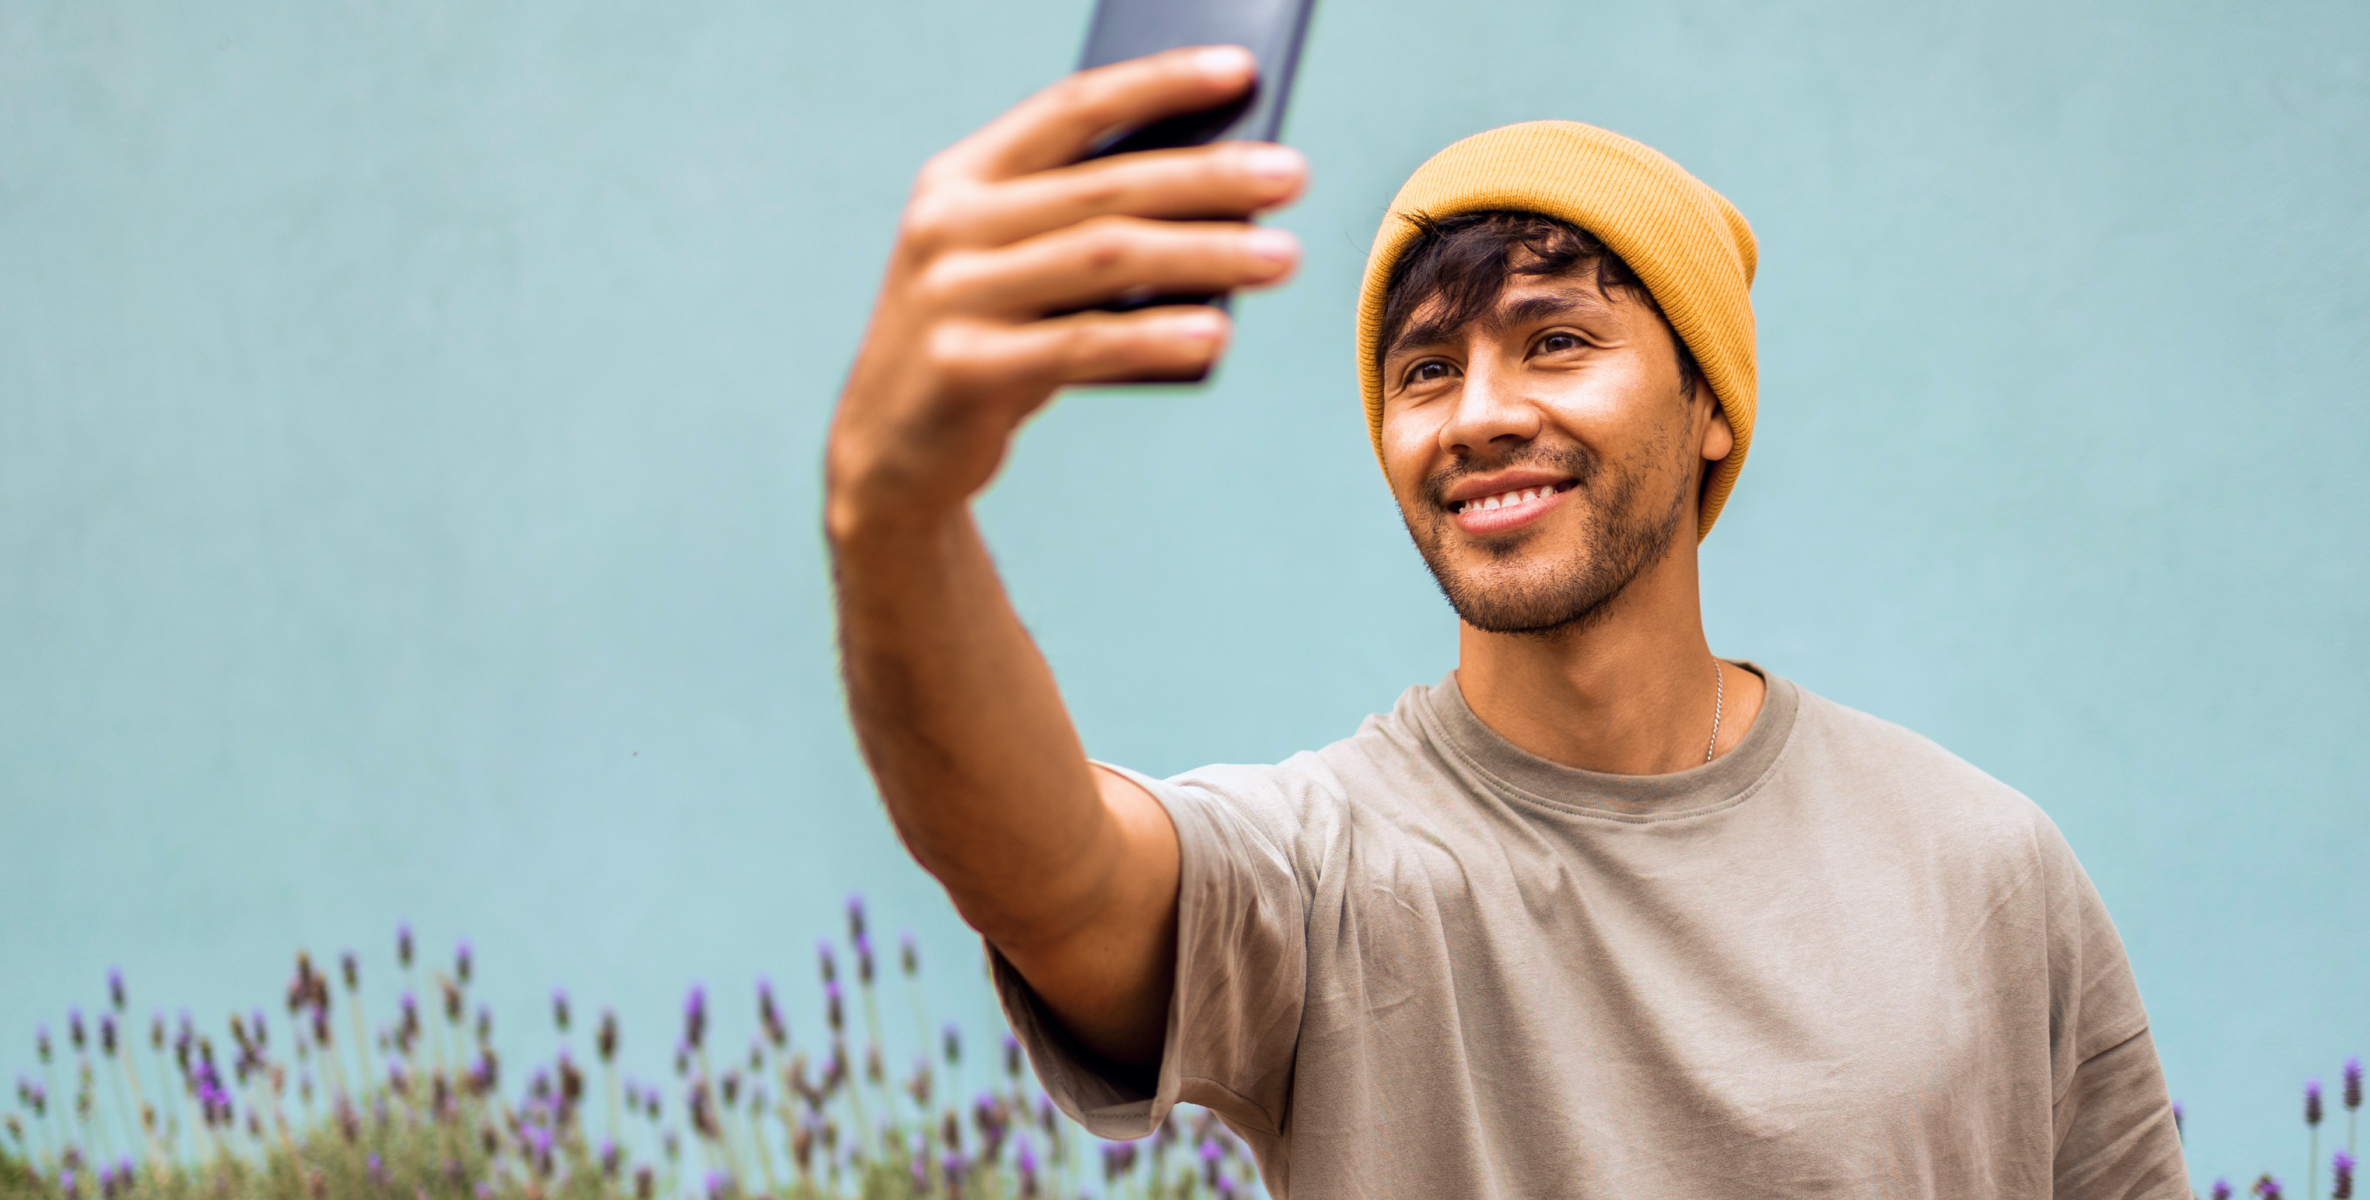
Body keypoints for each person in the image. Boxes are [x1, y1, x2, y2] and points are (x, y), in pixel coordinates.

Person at [824, 45, 2189, 1199]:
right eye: (1426, 368)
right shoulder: (1326, 874)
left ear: (1709, 406)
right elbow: (1052, 874)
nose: (1478, 414)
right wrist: (894, 519)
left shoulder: (1981, 865)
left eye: (1555, 341)